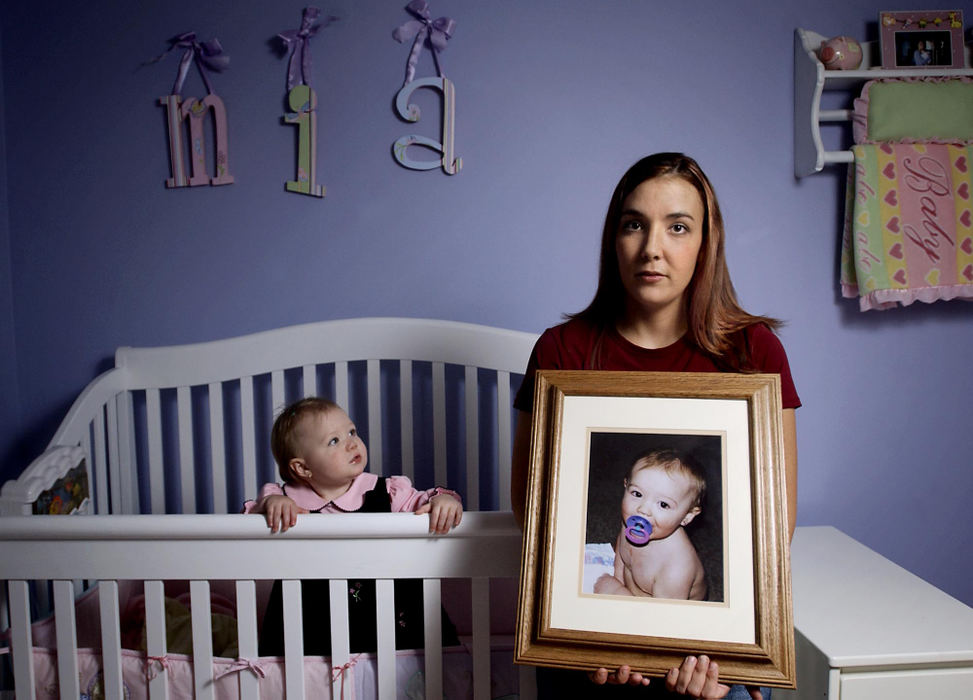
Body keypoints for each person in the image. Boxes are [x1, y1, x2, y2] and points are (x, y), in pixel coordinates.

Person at [511, 153, 800, 699]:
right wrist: (597, 635)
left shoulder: (753, 351)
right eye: (634, 224)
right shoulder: (561, 350)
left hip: (707, 650)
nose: (652, 248)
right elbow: (531, 508)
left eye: (678, 227)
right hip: (590, 647)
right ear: (613, 240)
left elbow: (773, 524)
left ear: (705, 244)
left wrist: (713, 646)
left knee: (722, 692)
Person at [244, 396, 464, 656]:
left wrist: (444, 500)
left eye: (352, 432)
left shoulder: (387, 491)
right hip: (312, 631)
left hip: (394, 625)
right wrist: (272, 505)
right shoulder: (284, 500)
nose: (352, 443)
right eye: (334, 440)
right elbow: (247, 530)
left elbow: (423, 500)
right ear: (302, 468)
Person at [592, 449, 707, 601]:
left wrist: (615, 592)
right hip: (635, 592)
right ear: (626, 485)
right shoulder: (632, 522)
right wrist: (618, 580)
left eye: (664, 504)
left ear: (687, 516)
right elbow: (621, 555)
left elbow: (660, 620)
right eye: (637, 494)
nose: (643, 510)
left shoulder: (676, 568)